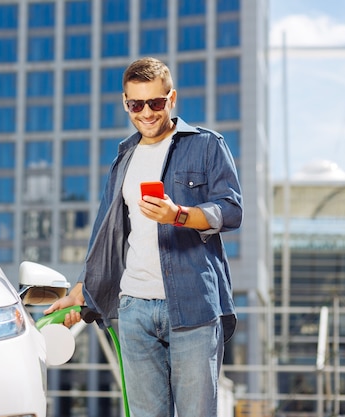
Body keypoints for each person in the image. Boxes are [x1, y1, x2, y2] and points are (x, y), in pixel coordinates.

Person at [44, 57, 243, 417]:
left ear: (172, 99)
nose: (147, 113)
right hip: (134, 309)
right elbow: (106, 235)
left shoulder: (207, 145)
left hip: (194, 308)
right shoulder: (124, 158)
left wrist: (178, 215)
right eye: (137, 104)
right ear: (126, 103)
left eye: (156, 102)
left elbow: (231, 210)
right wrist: (80, 291)